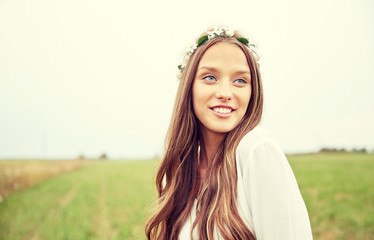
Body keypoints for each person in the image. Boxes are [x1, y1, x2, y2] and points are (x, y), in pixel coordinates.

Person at [145, 26, 313, 240]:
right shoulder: (179, 171)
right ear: (189, 86)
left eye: (240, 81)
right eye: (210, 77)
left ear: (253, 92)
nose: (225, 93)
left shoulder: (257, 150)